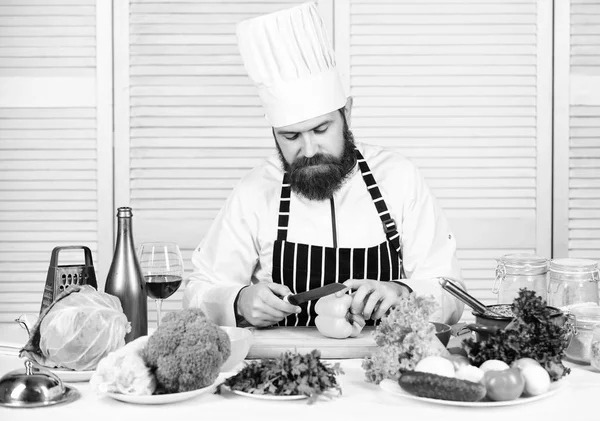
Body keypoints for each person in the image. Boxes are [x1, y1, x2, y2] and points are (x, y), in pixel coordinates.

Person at [183, 2, 465, 328]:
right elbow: (198, 291)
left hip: (378, 369)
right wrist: (238, 301)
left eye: (321, 129)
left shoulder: (399, 178)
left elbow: (451, 291)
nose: (309, 149)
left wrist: (402, 293)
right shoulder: (255, 190)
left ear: (346, 113)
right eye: (291, 136)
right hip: (283, 367)